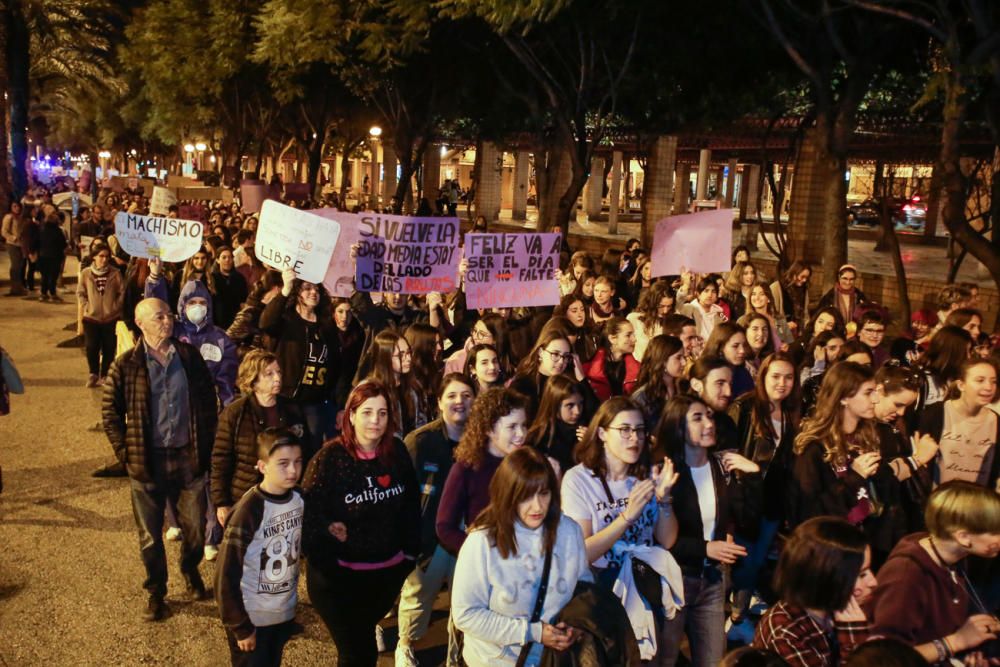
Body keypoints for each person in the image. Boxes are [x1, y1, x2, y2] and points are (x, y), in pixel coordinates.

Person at [101, 297, 219, 621]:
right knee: (151, 535)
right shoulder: (125, 365)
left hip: (187, 459)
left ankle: (189, 568)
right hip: (147, 462)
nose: (167, 321)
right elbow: (110, 413)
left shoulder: (189, 357)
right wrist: (125, 454)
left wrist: (205, 445)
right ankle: (156, 592)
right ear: (140, 323)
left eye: (168, 315)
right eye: (159, 316)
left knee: (195, 528)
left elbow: (209, 402)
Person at [301, 381, 421, 667]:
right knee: (358, 654)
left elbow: (411, 507)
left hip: (385, 578)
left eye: (382, 413)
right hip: (340, 583)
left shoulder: (398, 454)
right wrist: (329, 565)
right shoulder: (329, 459)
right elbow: (309, 519)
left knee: (362, 649)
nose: (375, 421)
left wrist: (408, 557)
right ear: (351, 416)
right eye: (367, 412)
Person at [561, 397, 680, 662]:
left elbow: (668, 540)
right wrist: (626, 517)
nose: (634, 437)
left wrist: (664, 500)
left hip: (644, 584)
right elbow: (583, 552)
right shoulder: (578, 480)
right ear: (602, 433)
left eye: (639, 430)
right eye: (624, 429)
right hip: (603, 588)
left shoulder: (647, 474)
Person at [451, 447, 593, 666]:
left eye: (544, 493)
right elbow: (466, 613)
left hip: (552, 659)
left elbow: (584, 586)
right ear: (508, 494)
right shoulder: (482, 542)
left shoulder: (569, 531)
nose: (537, 506)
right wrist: (532, 632)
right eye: (526, 496)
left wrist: (577, 626)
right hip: (494, 660)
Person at [657, 395, 762, 667]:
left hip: (713, 579)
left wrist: (752, 476)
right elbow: (662, 541)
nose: (708, 423)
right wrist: (706, 547)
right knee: (665, 659)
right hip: (674, 580)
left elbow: (748, 522)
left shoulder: (721, 466)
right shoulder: (666, 472)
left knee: (713, 659)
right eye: (697, 418)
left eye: (709, 416)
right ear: (678, 426)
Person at [868, 481, 1000, 665]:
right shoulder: (906, 576)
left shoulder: (955, 560)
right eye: (995, 531)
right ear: (962, 537)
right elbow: (884, 660)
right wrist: (955, 642)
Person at [395, 374, 475, 667]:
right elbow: (402, 493)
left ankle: (456, 657)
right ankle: (405, 644)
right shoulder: (420, 442)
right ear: (439, 401)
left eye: (467, 395)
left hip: (467, 535)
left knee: (464, 601)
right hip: (427, 537)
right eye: (452, 395)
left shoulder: (481, 440)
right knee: (419, 594)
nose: (460, 402)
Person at [727, 352, 800, 640]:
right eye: (776, 376)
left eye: (789, 377)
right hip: (745, 502)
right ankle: (736, 618)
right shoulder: (745, 407)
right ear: (763, 377)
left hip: (772, 504)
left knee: (755, 561)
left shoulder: (790, 412)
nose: (782, 383)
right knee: (744, 562)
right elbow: (729, 455)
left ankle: (739, 613)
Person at [215, 428, 304, 667]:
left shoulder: (298, 498)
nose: (293, 470)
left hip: (282, 613)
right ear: (262, 466)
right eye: (283, 464)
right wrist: (240, 626)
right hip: (252, 618)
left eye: (298, 462)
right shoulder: (248, 510)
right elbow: (225, 574)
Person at [753, 517, 877, 667]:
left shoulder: (840, 610)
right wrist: (854, 641)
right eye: (861, 574)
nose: (873, 582)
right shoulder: (786, 635)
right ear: (828, 577)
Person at [790, 362, 892, 533]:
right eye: (868, 393)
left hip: (866, 538)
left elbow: (885, 494)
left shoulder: (868, 437)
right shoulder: (814, 448)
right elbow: (809, 511)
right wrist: (855, 476)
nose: (876, 399)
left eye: (875, 392)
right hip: (832, 544)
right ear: (844, 397)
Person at [211, 350, 306, 533]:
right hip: (246, 497)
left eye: (278, 372)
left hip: (283, 499)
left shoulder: (291, 409)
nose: (277, 378)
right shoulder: (235, 413)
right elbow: (221, 459)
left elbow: (304, 451)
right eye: (269, 374)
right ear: (253, 380)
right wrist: (221, 502)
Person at [436, 387, 529, 558]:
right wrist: (481, 552)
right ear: (489, 429)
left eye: (523, 425)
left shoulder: (529, 463)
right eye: (512, 427)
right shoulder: (466, 469)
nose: (521, 434)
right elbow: (444, 527)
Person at [260, 268, 340, 454]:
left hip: (315, 401)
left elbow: (336, 361)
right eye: (307, 288)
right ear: (298, 293)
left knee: (312, 449)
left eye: (316, 289)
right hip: (287, 398)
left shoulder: (326, 325)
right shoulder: (286, 319)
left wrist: (328, 391)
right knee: (286, 448)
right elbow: (265, 323)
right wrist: (285, 289)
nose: (313, 292)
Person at [917, 357, 999, 489]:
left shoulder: (995, 420)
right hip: (940, 501)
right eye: (980, 380)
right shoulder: (935, 414)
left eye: (993, 382)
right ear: (961, 385)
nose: (989, 387)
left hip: (979, 502)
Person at [353, 330, 424, 437]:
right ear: (385, 357)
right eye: (401, 355)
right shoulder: (369, 389)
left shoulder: (413, 385)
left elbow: (420, 422)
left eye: (409, 352)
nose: (408, 359)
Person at [77, 244, 124, 387]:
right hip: (91, 317)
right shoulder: (86, 273)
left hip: (110, 317)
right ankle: (93, 373)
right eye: (101, 256)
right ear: (94, 257)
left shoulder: (115, 273)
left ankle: (105, 375)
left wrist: (115, 307)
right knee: (91, 346)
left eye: (107, 256)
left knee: (109, 347)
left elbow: (121, 292)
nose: (104, 259)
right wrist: (87, 307)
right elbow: (81, 292)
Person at [525, 373, 587, 473]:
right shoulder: (538, 437)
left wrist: (591, 446)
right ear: (554, 405)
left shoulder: (585, 430)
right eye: (570, 405)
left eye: (580, 403)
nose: (577, 411)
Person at [630, 334, 685, 433]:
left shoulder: (683, 387)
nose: (684, 362)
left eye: (684, 357)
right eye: (678, 358)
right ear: (663, 361)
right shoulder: (643, 396)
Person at [583, 317, 640, 402]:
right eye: (628, 335)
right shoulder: (588, 369)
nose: (634, 339)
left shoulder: (639, 368)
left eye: (633, 335)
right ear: (612, 339)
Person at [703, 321, 754, 398]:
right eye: (735, 346)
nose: (742, 351)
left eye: (744, 345)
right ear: (720, 348)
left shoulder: (743, 374)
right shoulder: (706, 374)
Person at [627, 281, 674, 361]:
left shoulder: (672, 319)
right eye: (661, 306)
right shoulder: (634, 318)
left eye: (669, 306)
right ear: (652, 302)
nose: (665, 311)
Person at [212, 247, 249, 330]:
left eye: (230, 257)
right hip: (216, 324)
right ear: (217, 260)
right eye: (224, 257)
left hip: (234, 323)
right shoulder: (212, 278)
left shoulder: (239, 278)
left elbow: (243, 301)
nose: (227, 260)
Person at [770, 261, 812, 331]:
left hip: (797, 330)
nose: (804, 280)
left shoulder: (804, 289)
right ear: (794, 273)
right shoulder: (776, 287)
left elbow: (805, 314)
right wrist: (785, 326)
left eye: (807, 278)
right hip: (782, 331)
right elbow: (772, 314)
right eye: (802, 277)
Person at [36, 208, 67, 302]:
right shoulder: (58, 231)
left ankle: (43, 294)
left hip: (43, 256)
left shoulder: (41, 230)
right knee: (53, 276)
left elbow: (37, 243)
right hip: (55, 257)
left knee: (44, 276)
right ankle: (52, 294)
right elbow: (63, 244)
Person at [2, 201, 27, 296]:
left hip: (21, 244)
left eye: (18, 206)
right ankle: (14, 287)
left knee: (20, 266)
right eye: (14, 206)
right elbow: (4, 231)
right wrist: (13, 238)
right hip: (12, 244)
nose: (17, 208)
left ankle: (18, 287)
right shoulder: (9, 217)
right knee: (15, 266)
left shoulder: (20, 218)